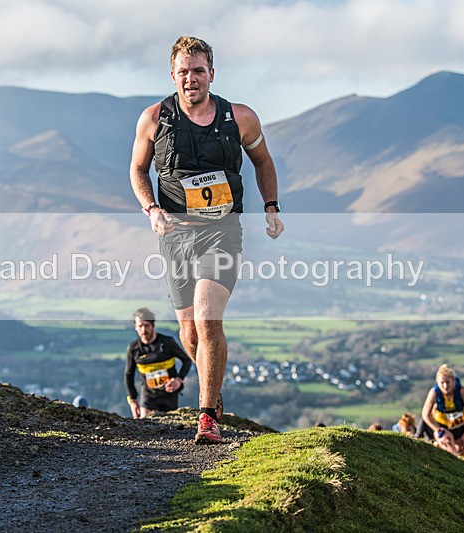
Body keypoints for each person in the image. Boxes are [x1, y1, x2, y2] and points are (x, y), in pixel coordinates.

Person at [129, 36, 283, 444]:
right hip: (175, 235)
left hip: (222, 231)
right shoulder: (153, 119)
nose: (191, 79)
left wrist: (271, 206)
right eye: (184, 71)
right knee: (190, 334)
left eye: (198, 71)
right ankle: (212, 390)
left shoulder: (240, 118)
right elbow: (138, 170)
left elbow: (263, 161)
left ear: (211, 74)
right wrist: (151, 209)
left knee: (207, 317)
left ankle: (207, 416)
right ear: (173, 75)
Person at [125, 308, 193, 418]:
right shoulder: (133, 348)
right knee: (144, 423)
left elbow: (187, 360)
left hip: (169, 393)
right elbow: (129, 374)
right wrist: (132, 400)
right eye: (140, 326)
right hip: (148, 395)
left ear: (153, 325)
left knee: (170, 425)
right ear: (135, 326)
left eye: (146, 325)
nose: (143, 330)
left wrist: (178, 379)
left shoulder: (167, 342)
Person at [420, 364, 464, 456]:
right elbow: (425, 414)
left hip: (460, 426)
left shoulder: (462, 391)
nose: (445, 386)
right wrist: (437, 430)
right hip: (442, 426)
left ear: (453, 381)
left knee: (461, 451)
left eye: (448, 382)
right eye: (442, 383)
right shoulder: (434, 393)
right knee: (449, 446)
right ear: (437, 383)